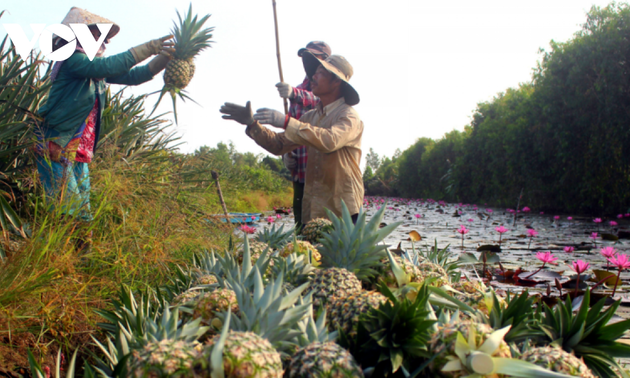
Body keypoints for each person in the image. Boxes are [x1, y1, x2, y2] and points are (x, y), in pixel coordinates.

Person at [35, 7, 174, 250]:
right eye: (99, 35)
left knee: (82, 209)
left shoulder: (93, 69)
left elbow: (135, 76)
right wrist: (150, 47)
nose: (106, 42)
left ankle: (76, 262)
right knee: (69, 209)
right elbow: (108, 66)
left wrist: (165, 58)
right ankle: (57, 259)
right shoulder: (73, 60)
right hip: (57, 144)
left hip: (79, 151)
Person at [220, 52, 364, 224]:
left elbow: (330, 140)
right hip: (315, 209)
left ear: (336, 81)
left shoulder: (348, 116)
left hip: (343, 211)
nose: (313, 76)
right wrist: (252, 124)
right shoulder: (311, 117)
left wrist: (286, 122)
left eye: (321, 73)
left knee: (345, 251)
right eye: (315, 72)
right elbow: (279, 145)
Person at [276, 41, 331, 231]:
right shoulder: (299, 88)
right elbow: (290, 126)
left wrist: (293, 93)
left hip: (321, 171)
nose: (309, 63)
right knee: (301, 221)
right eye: (306, 58)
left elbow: (317, 100)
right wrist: (286, 153)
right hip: (299, 169)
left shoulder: (329, 88)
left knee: (322, 223)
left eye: (314, 58)